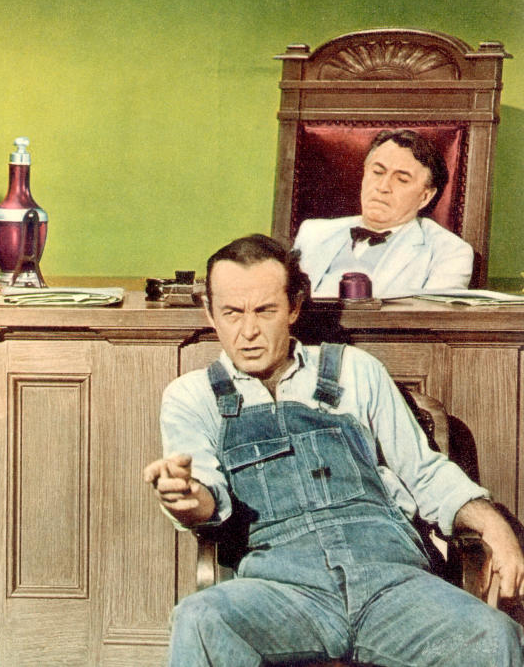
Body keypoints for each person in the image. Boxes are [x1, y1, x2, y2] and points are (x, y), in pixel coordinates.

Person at [143, 234, 523, 666]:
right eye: (232, 312)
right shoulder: (192, 396)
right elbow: (204, 494)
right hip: (284, 591)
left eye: (265, 311)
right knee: (200, 617)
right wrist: (187, 497)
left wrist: (496, 528)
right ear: (210, 312)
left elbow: (425, 473)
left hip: (392, 584)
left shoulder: (355, 371)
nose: (247, 331)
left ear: (294, 307)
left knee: (494, 636)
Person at [292, 129, 472, 298]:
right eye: (377, 172)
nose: (383, 187)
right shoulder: (312, 233)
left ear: (425, 196)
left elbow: (432, 324)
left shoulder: (449, 252)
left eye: (401, 179)